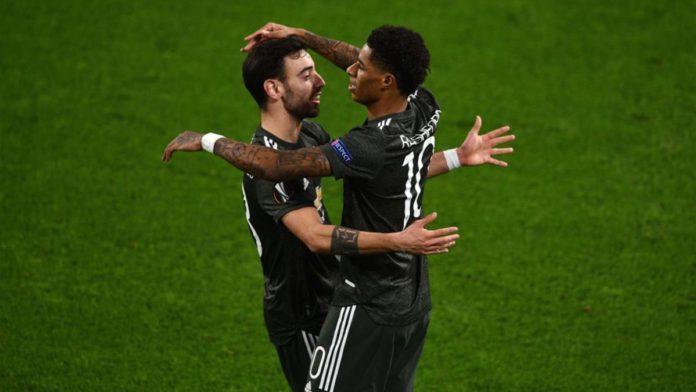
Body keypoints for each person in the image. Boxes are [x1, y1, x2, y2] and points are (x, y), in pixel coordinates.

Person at [163, 24, 514, 392]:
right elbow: (310, 205)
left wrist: (204, 139)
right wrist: (455, 159)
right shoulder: (423, 103)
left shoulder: (341, 141)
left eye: (360, 68)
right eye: (306, 74)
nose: (329, 79)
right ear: (274, 88)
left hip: (352, 297)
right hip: (305, 312)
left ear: (387, 81)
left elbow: (357, 169)